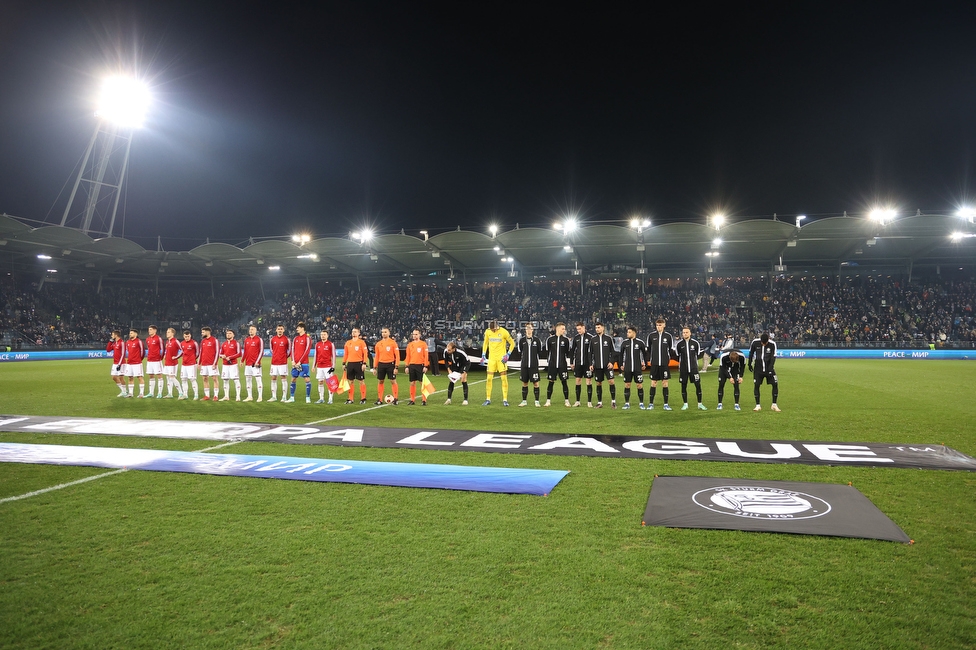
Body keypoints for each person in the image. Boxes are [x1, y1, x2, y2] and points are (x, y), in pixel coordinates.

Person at [481, 320, 515, 406]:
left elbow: (512, 343)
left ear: (497, 327)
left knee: (503, 379)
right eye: (491, 329)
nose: (492, 331)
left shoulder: (504, 332)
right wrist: (483, 354)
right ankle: (488, 399)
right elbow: (485, 343)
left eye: (494, 329)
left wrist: (508, 354)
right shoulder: (488, 331)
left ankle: (505, 400)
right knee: (489, 378)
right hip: (492, 359)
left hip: (501, 359)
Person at [645, 318, 676, 411]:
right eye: (657, 325)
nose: (658, 327)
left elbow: (671, 350)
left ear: (664, 325)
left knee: (665, 383)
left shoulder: (668, 336)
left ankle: (666, 404)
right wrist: (648, 360)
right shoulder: (651, 336)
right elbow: (648, 349)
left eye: (660, 325)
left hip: (664, 364)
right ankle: (651, 404)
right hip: (654, 364)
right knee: (653, 383)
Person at [676, 326, 706, 410]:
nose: (685, 334)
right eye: (683, 332)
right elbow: (677, 355)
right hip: (683, 369)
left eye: (686, 332)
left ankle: (700, 404)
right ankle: (685, 404)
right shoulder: (679, 344)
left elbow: (698, 354)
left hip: (694, 369)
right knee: (683, 386)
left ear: (690, 333)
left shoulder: (695, 343)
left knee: (698, 385)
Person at [749, 331, 781, 411]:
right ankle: (757, 405)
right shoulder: (755, 342)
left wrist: (770, 368)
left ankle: (774, 404)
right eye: (762, 343)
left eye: (765, 343)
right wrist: (749, 364)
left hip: (769, 368)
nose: (764, 344)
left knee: (775, 384)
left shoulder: (772, 344)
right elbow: (751, 353)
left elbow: (773, 357)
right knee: (756, 385)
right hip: (758, 369)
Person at [589, 322, 617, 408]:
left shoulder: (608, 338)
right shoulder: (593, 340)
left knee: (611, 381)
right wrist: (590, 364)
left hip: (607, 366)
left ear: (603, 328)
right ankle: (599, 402)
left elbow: (613, 352)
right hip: (597, 366)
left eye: (599, 327)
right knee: (598, 383)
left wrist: (611, 362)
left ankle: (613, 402)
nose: (597, 329)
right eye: (596, 327)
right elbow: (590, 353)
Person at [618, 326, 647, 410]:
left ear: (634, 333)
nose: (627, 333)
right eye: (627, 332)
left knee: (639, 385)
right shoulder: (624, 343)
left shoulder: (640, 343)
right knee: (627, 385)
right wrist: (621, 365)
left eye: (629, 332)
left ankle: (641, 403)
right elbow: (621, 355)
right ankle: (627, 403)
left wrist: (645, 364)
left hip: (637, 368)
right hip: (627, 368)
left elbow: (644, 354)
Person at [544, 322, 572, 407]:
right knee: (551, 382)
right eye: (563, 329)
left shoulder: (566, 340)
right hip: (552, 365)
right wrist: (549, 361)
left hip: (562, 365)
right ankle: (548, 401)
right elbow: (547, 351)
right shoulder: (550, 339)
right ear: (557, 328)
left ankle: (567, 401)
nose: (564, 330)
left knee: (564, 382)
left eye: (564, 329)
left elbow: (568, 352)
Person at [516, 323, 543, 407]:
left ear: (532, 329)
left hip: (534, 366)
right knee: (524, 383)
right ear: (525, 330)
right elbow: (520, 351)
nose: (528, 330)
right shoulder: (522, 341)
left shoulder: (537, 340)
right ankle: (524, 401)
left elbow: (539, 352)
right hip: (524, 366)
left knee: (536, 383)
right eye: (527, 328)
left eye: (530, 328)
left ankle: (537, 401)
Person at [342, 327, 370, 404]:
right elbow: (346, 354)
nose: (353, 333)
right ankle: (350, 398)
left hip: (359, 363)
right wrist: (344, 363)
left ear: (358, 333)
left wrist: (364, 363)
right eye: (352, 331)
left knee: (361, 381)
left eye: (355, 332)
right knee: (351, 381)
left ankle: (363, 398)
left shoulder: (361, 342)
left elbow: (365, 353)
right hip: (350, 363)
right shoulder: (348, 342)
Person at [372, 328, 400, 405]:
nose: (383, 333)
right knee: (380, 381)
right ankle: (379, 399)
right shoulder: (378, 344)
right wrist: (374, 367)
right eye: (382, 332)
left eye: (385, 332)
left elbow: (397, 356)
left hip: (390, 364)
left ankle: (395, 399)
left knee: (393, 381)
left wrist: (396, 366)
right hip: (381, 364)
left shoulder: (393, 343)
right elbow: (377, 356)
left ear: (389, 333)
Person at [287, 321, 312, 403]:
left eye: (298, 327)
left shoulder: (307, 338)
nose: (296, 329)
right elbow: (292, 350)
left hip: (304, 363)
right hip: (295, 363)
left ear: (302, 328)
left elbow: (307, 351)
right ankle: (292, 397)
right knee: (293, 378)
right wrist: (293, 361)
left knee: (306, 379)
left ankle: (308, 398)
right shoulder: (295, 339)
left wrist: (300, 362)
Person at [570, 322, 593, 407]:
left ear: (584, 327)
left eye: (580, 329)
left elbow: (592, 352)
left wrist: (591, 363)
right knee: (578, 381)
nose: (578, 331)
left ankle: (589, 402)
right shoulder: (576, 338)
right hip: (578, 363)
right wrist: (572, 362)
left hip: (587, 364)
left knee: (588, 381)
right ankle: (577, 401)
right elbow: (572, 351)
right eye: (577, 329)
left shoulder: (590, 338)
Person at [404, 328, 430, 405]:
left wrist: (426, 366)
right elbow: (408, 356)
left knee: (422, 383)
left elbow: (426, 356)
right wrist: (406, 366)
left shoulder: (423, 344)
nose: (414, 336)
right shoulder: (409, 345)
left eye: (416, 334)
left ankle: (424, 400)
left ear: (419, 335)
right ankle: (412, 400)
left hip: (420, 365)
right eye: (413, 334)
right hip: (412, 365)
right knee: (412, 383)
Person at [160, 328, 186, 399]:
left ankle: (181, 393)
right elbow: (166, 350)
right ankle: (170, 393)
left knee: (172, 377)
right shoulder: (168, 342)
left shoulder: (176, 341)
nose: (167, 333)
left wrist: (176, 357)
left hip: (173, 363)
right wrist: (165, 354)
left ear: (172, 333)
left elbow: (182, 350)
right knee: (168, 378)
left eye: (168, 332)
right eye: (167, 332)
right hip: (167, 362)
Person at [268, 324, 290, 402]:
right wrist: (275, 356)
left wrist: (284, 357)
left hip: (283, 362)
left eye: (281, 329)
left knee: (283, 377)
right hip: (274, 362)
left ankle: (284, 397)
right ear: (276, 330)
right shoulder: (272, 339)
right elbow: (271, 350)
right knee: (273, 377)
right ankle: (274, 396)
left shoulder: (286, 339)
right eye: (278, 329)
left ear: (283, 330)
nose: (280, 330)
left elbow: (289, 351)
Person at [442, 341, 470, 405]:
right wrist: (449, 369)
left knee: (463, 379)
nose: (448, 351)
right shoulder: (446, 351)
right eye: (447, 349)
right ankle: (449, 399)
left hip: (463, 365)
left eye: (449, 350)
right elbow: (445, 361)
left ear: (454, 349)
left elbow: (468, 362)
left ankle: (465, 400)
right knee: (451, 380)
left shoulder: (461, 352)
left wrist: (464, 372)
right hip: (454, 365)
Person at [219, 328, 243, 401]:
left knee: (236, 380)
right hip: (225, 365)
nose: (228, 334)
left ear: (233, 335)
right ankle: (226, 396)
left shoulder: (236, 343)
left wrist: (230, 357)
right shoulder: (224, 344)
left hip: (233, 365)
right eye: (227, 333)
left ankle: (238, 396)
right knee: (225, 380)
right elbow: (220, 353)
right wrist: (221, 356)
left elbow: (239, 353)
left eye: (230, 333)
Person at [242, 325, 264, 402]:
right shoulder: (246, 340)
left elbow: (261, 351)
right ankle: (249, 396)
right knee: (248, 380)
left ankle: (260, 397)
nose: (251, 331)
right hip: (247, 364)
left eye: (252, 329)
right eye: (250, 329)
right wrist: (242, 361)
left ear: (255, 331)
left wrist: (257, 361)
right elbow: (245, 351)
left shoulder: (259, 339)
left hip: (255, 364)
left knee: (258, 379)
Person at [314, 329, 336, 404]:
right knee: (320, 382)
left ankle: (330, 399)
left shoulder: (330, 344)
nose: (322, 336)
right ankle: (321, 398)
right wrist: (314, 366)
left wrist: (333, 367)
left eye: (324, 334)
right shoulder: (317, 344)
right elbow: (315, 356)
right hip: (319, 366)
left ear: (327, 335)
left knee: (330, 382)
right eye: (321, 334)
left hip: (328, 367)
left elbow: (333, 356)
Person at [123, 328, 146, 398]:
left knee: (139, 377)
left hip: (137, 363)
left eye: (131, 333)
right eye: (130, 333)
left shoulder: (139, 341)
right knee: (130, 378)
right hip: (129, 363)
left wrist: (139, 359)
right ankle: (130, 393)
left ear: (136, 334)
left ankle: (141, 393)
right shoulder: (128, 342)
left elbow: (143, 352)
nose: (130, 334)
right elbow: (128, 351)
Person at [199, 326, 220, 401]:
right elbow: (201, 352)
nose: (202, 333)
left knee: (214, 378)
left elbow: (217, 352)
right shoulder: (203, 341)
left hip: (212, 363)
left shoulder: (215, 340)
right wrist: (199, 363)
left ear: (208, 332)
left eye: (203, 332)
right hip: (204, 364)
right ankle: (207, 396)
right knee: (204, 378)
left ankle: (216, 395)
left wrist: (215, 363)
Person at [179, 330, 200, 400]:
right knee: (183, 379)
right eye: (185, 336)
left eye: (188, 336)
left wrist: (193, 359)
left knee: (192, 379)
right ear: (183, 336)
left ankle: (196, 395)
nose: (187, 338)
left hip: (191, 364)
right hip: (184, 364)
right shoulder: (182, 343)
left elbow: (197, 353)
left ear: (190, 336)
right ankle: (185, 394)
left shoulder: (194, 343)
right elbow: (182, 352)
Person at [144, 325, 164, 398]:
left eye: (151, 329)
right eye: (149, 329)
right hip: (149, 360)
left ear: (155, 330)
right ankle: (151, 393)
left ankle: (159, 393)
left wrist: (160, 358)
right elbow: (149, 348)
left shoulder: (158, 339)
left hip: (157, 360)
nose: (149, 331)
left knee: (159, 376)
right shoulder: (147, 339)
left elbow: (162, 349)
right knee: (151, 376)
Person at [106, 330, 125, 397]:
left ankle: (124, 392)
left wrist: (119, 364)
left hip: (121, 363)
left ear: (116, 335)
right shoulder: (114, 343)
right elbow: (108, 350)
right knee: (114, 377)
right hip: (115, 363)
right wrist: (110, 342)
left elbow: (123, 354)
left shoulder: (121, 342)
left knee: (121, 377)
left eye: (112, 335)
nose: (112, 336)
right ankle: (123, 391)